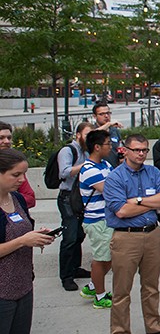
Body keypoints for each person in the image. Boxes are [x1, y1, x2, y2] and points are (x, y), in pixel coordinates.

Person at [103, 134, 160, 334]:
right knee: (121, 291)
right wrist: (147, 203)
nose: (142, 154)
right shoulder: (115, 178)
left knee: (151, 286)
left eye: (145, 150)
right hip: (126, 238)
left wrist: (135, 201)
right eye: (137, 150)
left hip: (152, 235)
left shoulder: (153, 172)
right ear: (124, 150)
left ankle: (154, 327)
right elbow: (120, 211)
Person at [0, 149, 55, 334]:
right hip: (2, 292)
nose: (22, 180)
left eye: (23, 173)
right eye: (16, 175)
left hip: (23, 285)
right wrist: (23, 240)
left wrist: (35, 237)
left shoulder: (18, 199)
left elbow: (20, 232)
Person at [78, 129, 115, 309]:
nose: (111, 147)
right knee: (101, 258)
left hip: (107, 219)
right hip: (97, 221)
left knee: (108, 257)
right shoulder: (89, 170)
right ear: (97, 147)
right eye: (108, 144)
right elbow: (110, 191)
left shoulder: (105, 165)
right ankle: (99, 297)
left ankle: (93, 286)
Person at [57, 122, 93, 292]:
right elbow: (63, 172)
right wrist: (85, 166)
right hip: (67, 197)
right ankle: (66, 276)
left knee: (79, 235)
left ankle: (75, 267)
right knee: (70, 237)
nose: (89, 138)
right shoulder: (68, 151)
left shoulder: (86, 151)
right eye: (86, 134)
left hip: (80, 197)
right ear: (78, 134)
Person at [0, 122, 35, 208]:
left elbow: (30, 198)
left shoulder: (14, 163)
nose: (7, 141)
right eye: (1, 138)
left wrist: (9, 202)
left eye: (9, 138)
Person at [92, 101, 124, 166]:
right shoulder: (92, 129)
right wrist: (108, 124)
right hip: (98, 169)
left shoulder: (115, 131)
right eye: (102, 114)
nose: (106, 116)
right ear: (94, 116)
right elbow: (91, 135)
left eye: (108, 113)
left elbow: (119, 147)